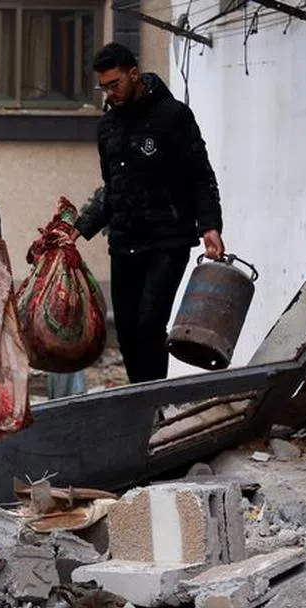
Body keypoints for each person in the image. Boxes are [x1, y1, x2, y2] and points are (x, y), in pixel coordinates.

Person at [73, 42, 224, 384]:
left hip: (167, 240)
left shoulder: (173, 116)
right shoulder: (107, 127)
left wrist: (209, 225)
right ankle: (143, 401)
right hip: (125, 240)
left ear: (134, 74)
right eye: (104, 87)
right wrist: (81, 228)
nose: (110, 93)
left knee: (149, 323)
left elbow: (200, 174)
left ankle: (151, 403)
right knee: (126, 330)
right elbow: (112, 189)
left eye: (115, 84)